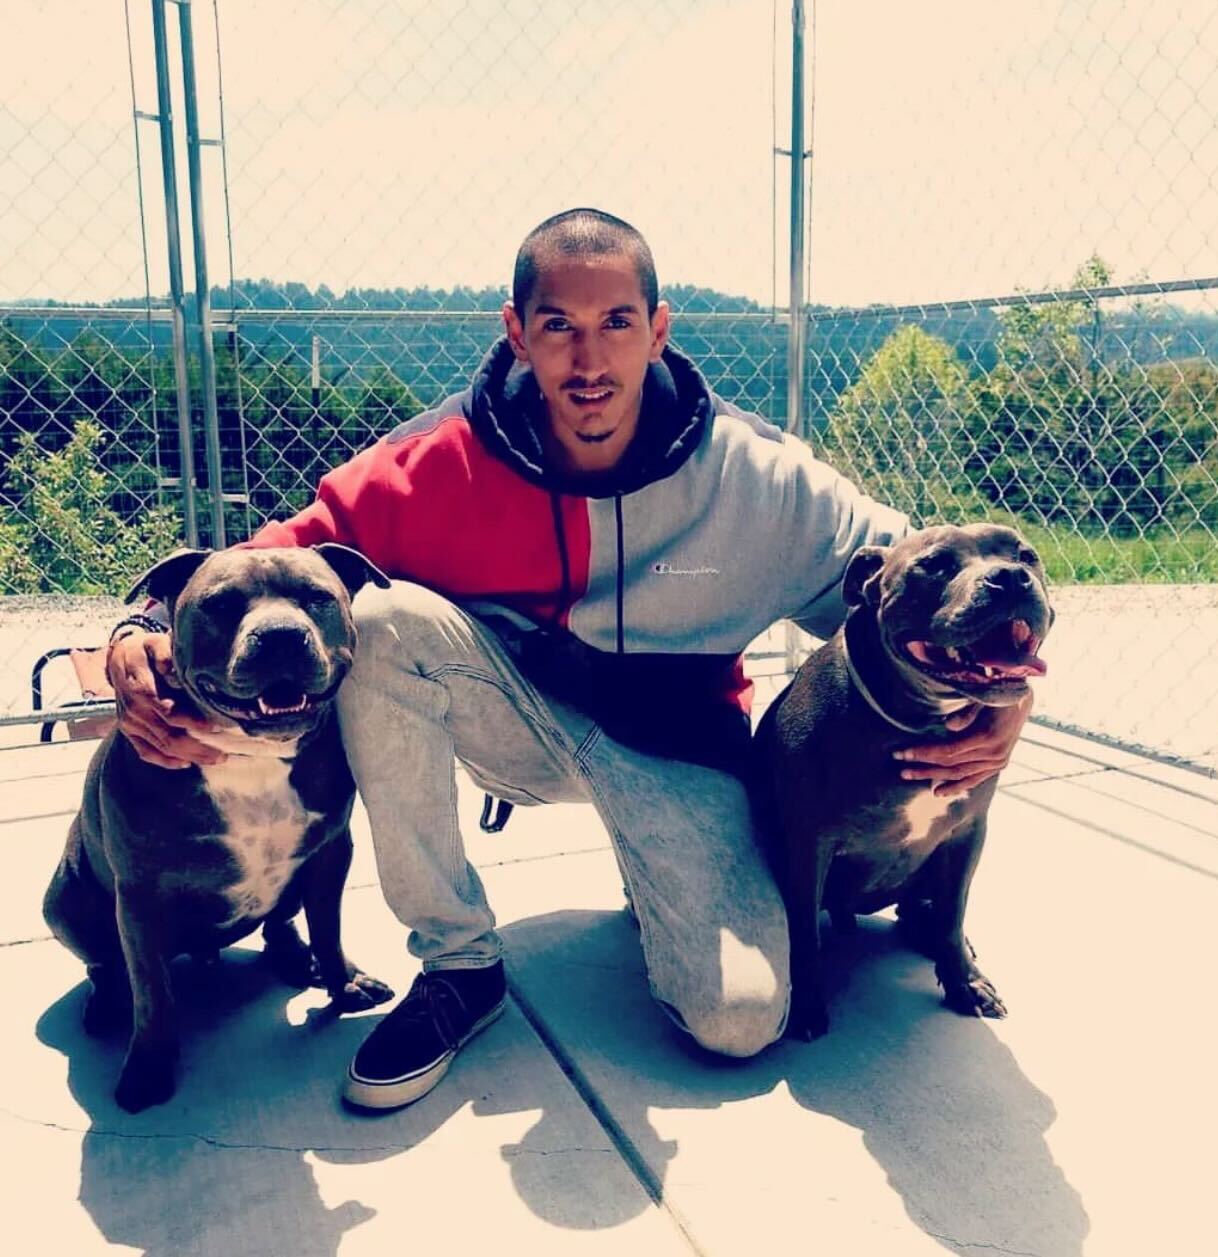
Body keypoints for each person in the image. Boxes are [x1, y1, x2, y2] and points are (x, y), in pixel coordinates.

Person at [107, 208, 1031, 1112]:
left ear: (658, 330)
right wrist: (134, 633)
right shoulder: (439, 460)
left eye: (617, 323)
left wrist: (1004, 700)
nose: (590, 361)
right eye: (559, 327)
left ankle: (658, 873)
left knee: (739, 1020)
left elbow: (925, 576)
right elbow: (275, 557)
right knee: (380, 619)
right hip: (518, 727)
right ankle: (459, 964)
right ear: (517, 334)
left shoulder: (757, 476)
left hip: (682, 759)